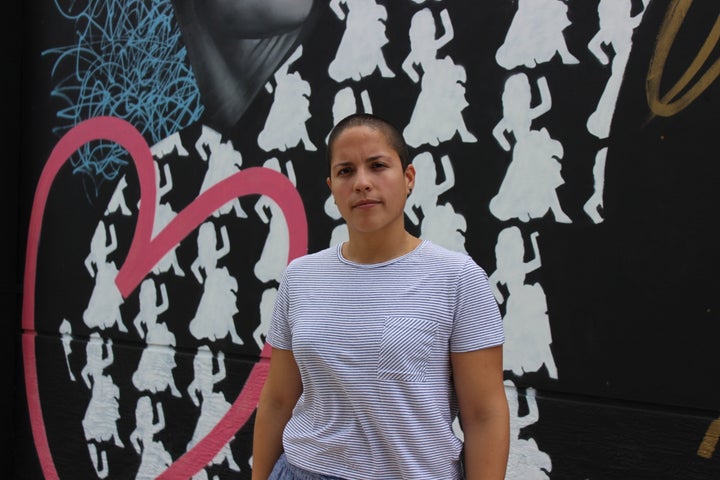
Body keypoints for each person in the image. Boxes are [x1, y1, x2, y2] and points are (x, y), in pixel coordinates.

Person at [252, 112, 509, 480]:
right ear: (331, 187)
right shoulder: (301, 277)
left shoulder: (458, 278)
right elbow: (277, 401)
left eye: (377, 166)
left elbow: (484, 414)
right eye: (345, 171)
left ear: (408, 179)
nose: (361, 183)